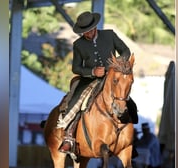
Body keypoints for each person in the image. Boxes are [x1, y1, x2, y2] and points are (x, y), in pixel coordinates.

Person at [58, 11, 138, 158]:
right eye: (85, 32)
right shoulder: (78, 45)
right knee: (75, 101)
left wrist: (114, 66)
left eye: (90, 30)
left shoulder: (109, 35)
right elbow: (76, 68)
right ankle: (69, 137)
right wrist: (93, 71)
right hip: (90, 79)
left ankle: (131, 141)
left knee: (130, 104)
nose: (88, 34)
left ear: (95, 27)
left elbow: (125, 51)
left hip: (113, 79)